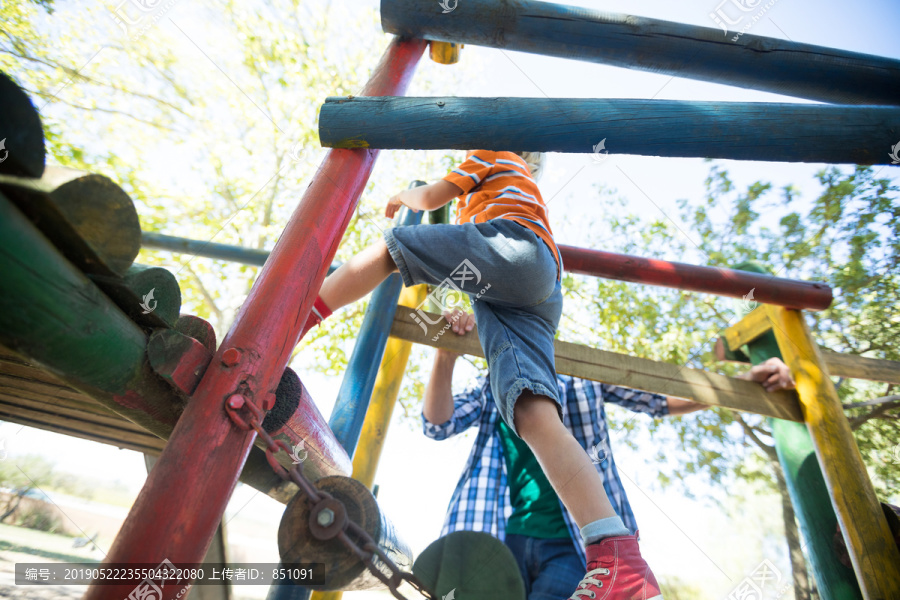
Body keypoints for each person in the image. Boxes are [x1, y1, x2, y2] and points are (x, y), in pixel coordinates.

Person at [301, 150, 665, 598]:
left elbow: (434, 194)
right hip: (533, 283)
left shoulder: (492, 152)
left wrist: (407, 196)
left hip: (513, 250)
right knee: (531, 413)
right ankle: (616, 557)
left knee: (393, 248)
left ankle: (299, 317)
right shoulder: (518, 183)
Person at [422, 310, 797, 600]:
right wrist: (446, 356)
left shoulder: (579, 373)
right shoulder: (493, 383)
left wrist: (742, 382)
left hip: (573, 542)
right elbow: (439, 423)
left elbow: (658, 399)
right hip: (507, 534)